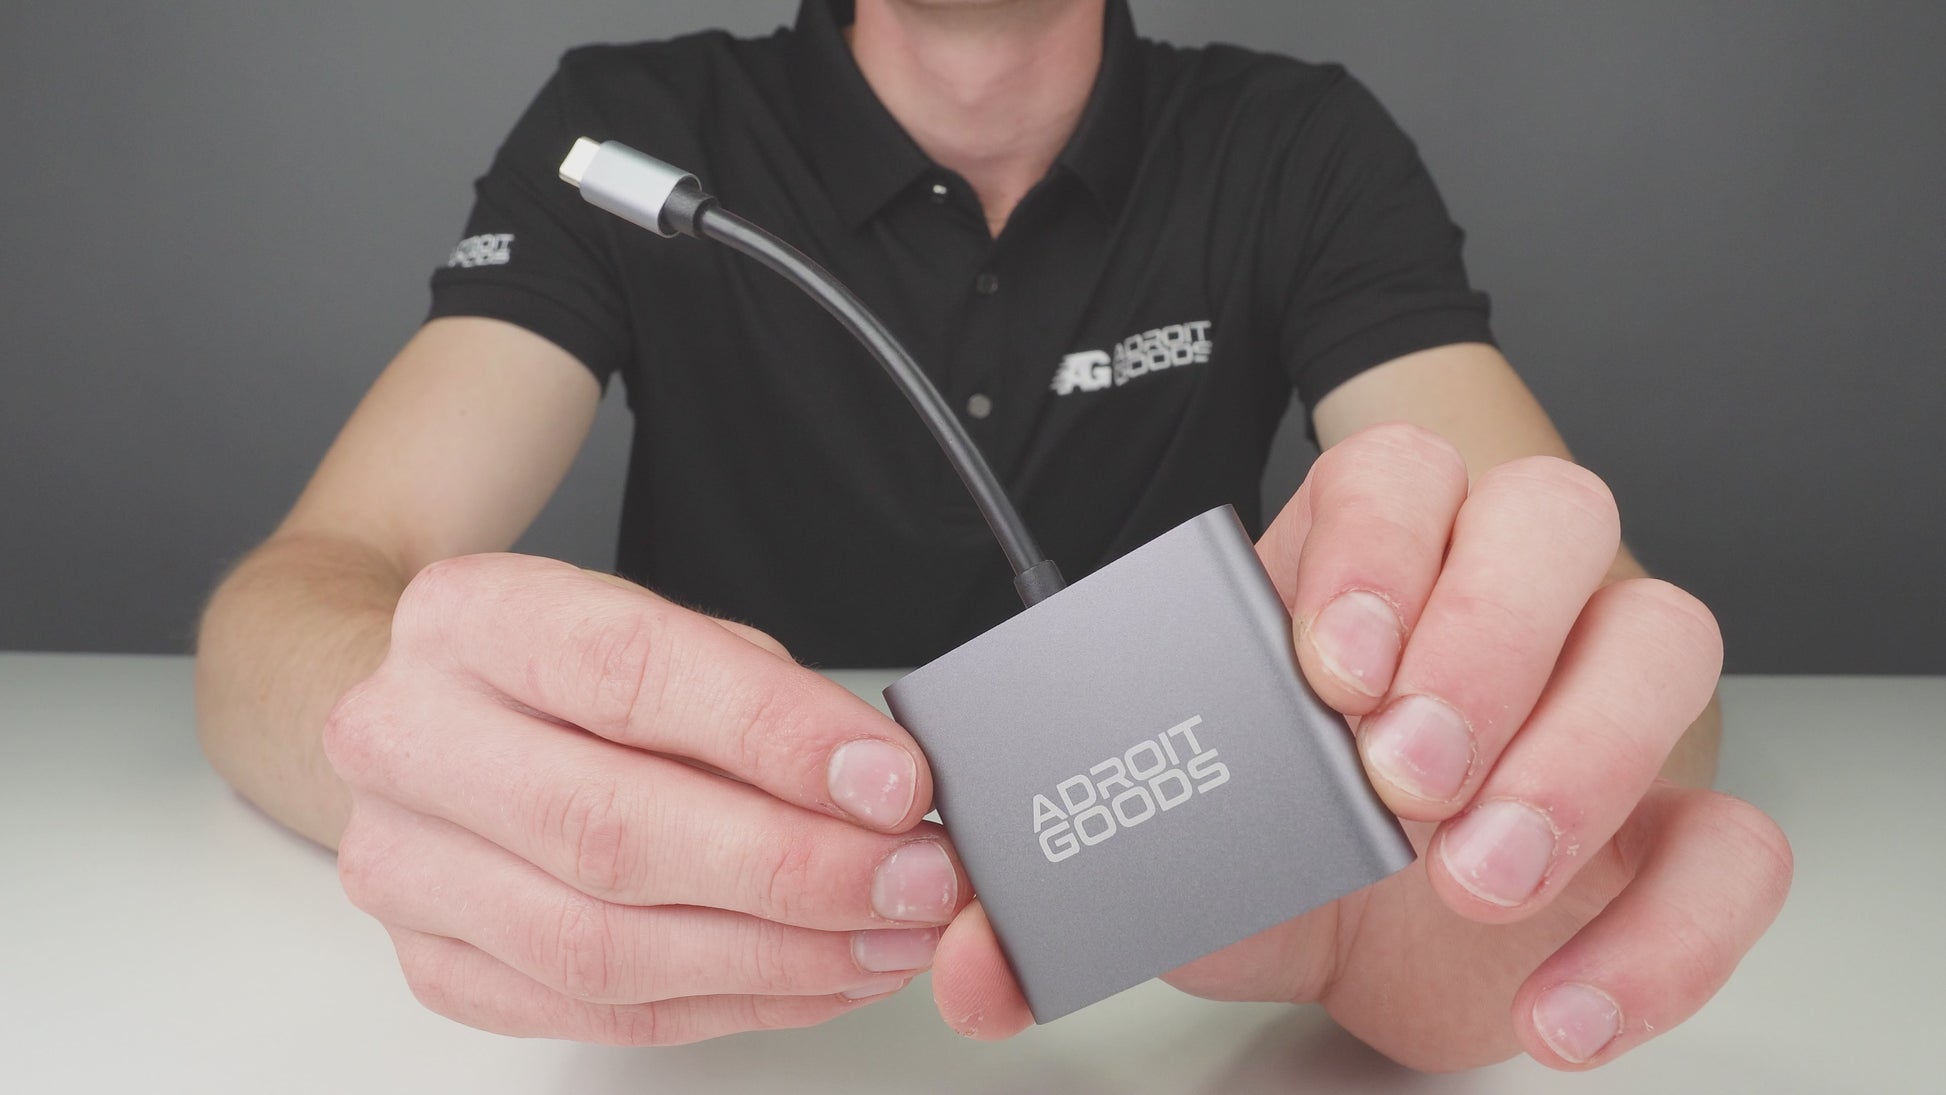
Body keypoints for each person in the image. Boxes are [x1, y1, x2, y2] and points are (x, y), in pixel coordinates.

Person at [194, 0, 1791, 1073]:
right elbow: (304, 595)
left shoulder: (1296, 143)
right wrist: (475, 775)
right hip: (701, 1030)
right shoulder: (633, 132)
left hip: (1192, 977)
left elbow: (1592, 628)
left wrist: (1486, 792)